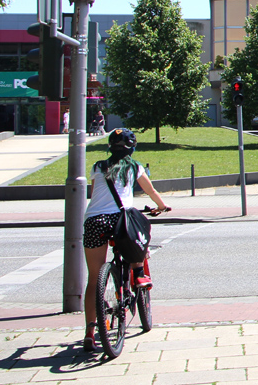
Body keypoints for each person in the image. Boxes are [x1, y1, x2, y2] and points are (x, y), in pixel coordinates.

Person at [81, 129, 167, 352]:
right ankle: (138, 274)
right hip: (120, 219)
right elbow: (151, 190)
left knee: (93, 278)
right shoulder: (135, 167)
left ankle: (90, 331)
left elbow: (94, 196)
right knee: (140, 232)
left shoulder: (97, 167)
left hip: (94, 221)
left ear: (110, 147)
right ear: (132, 148)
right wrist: (162, 206)